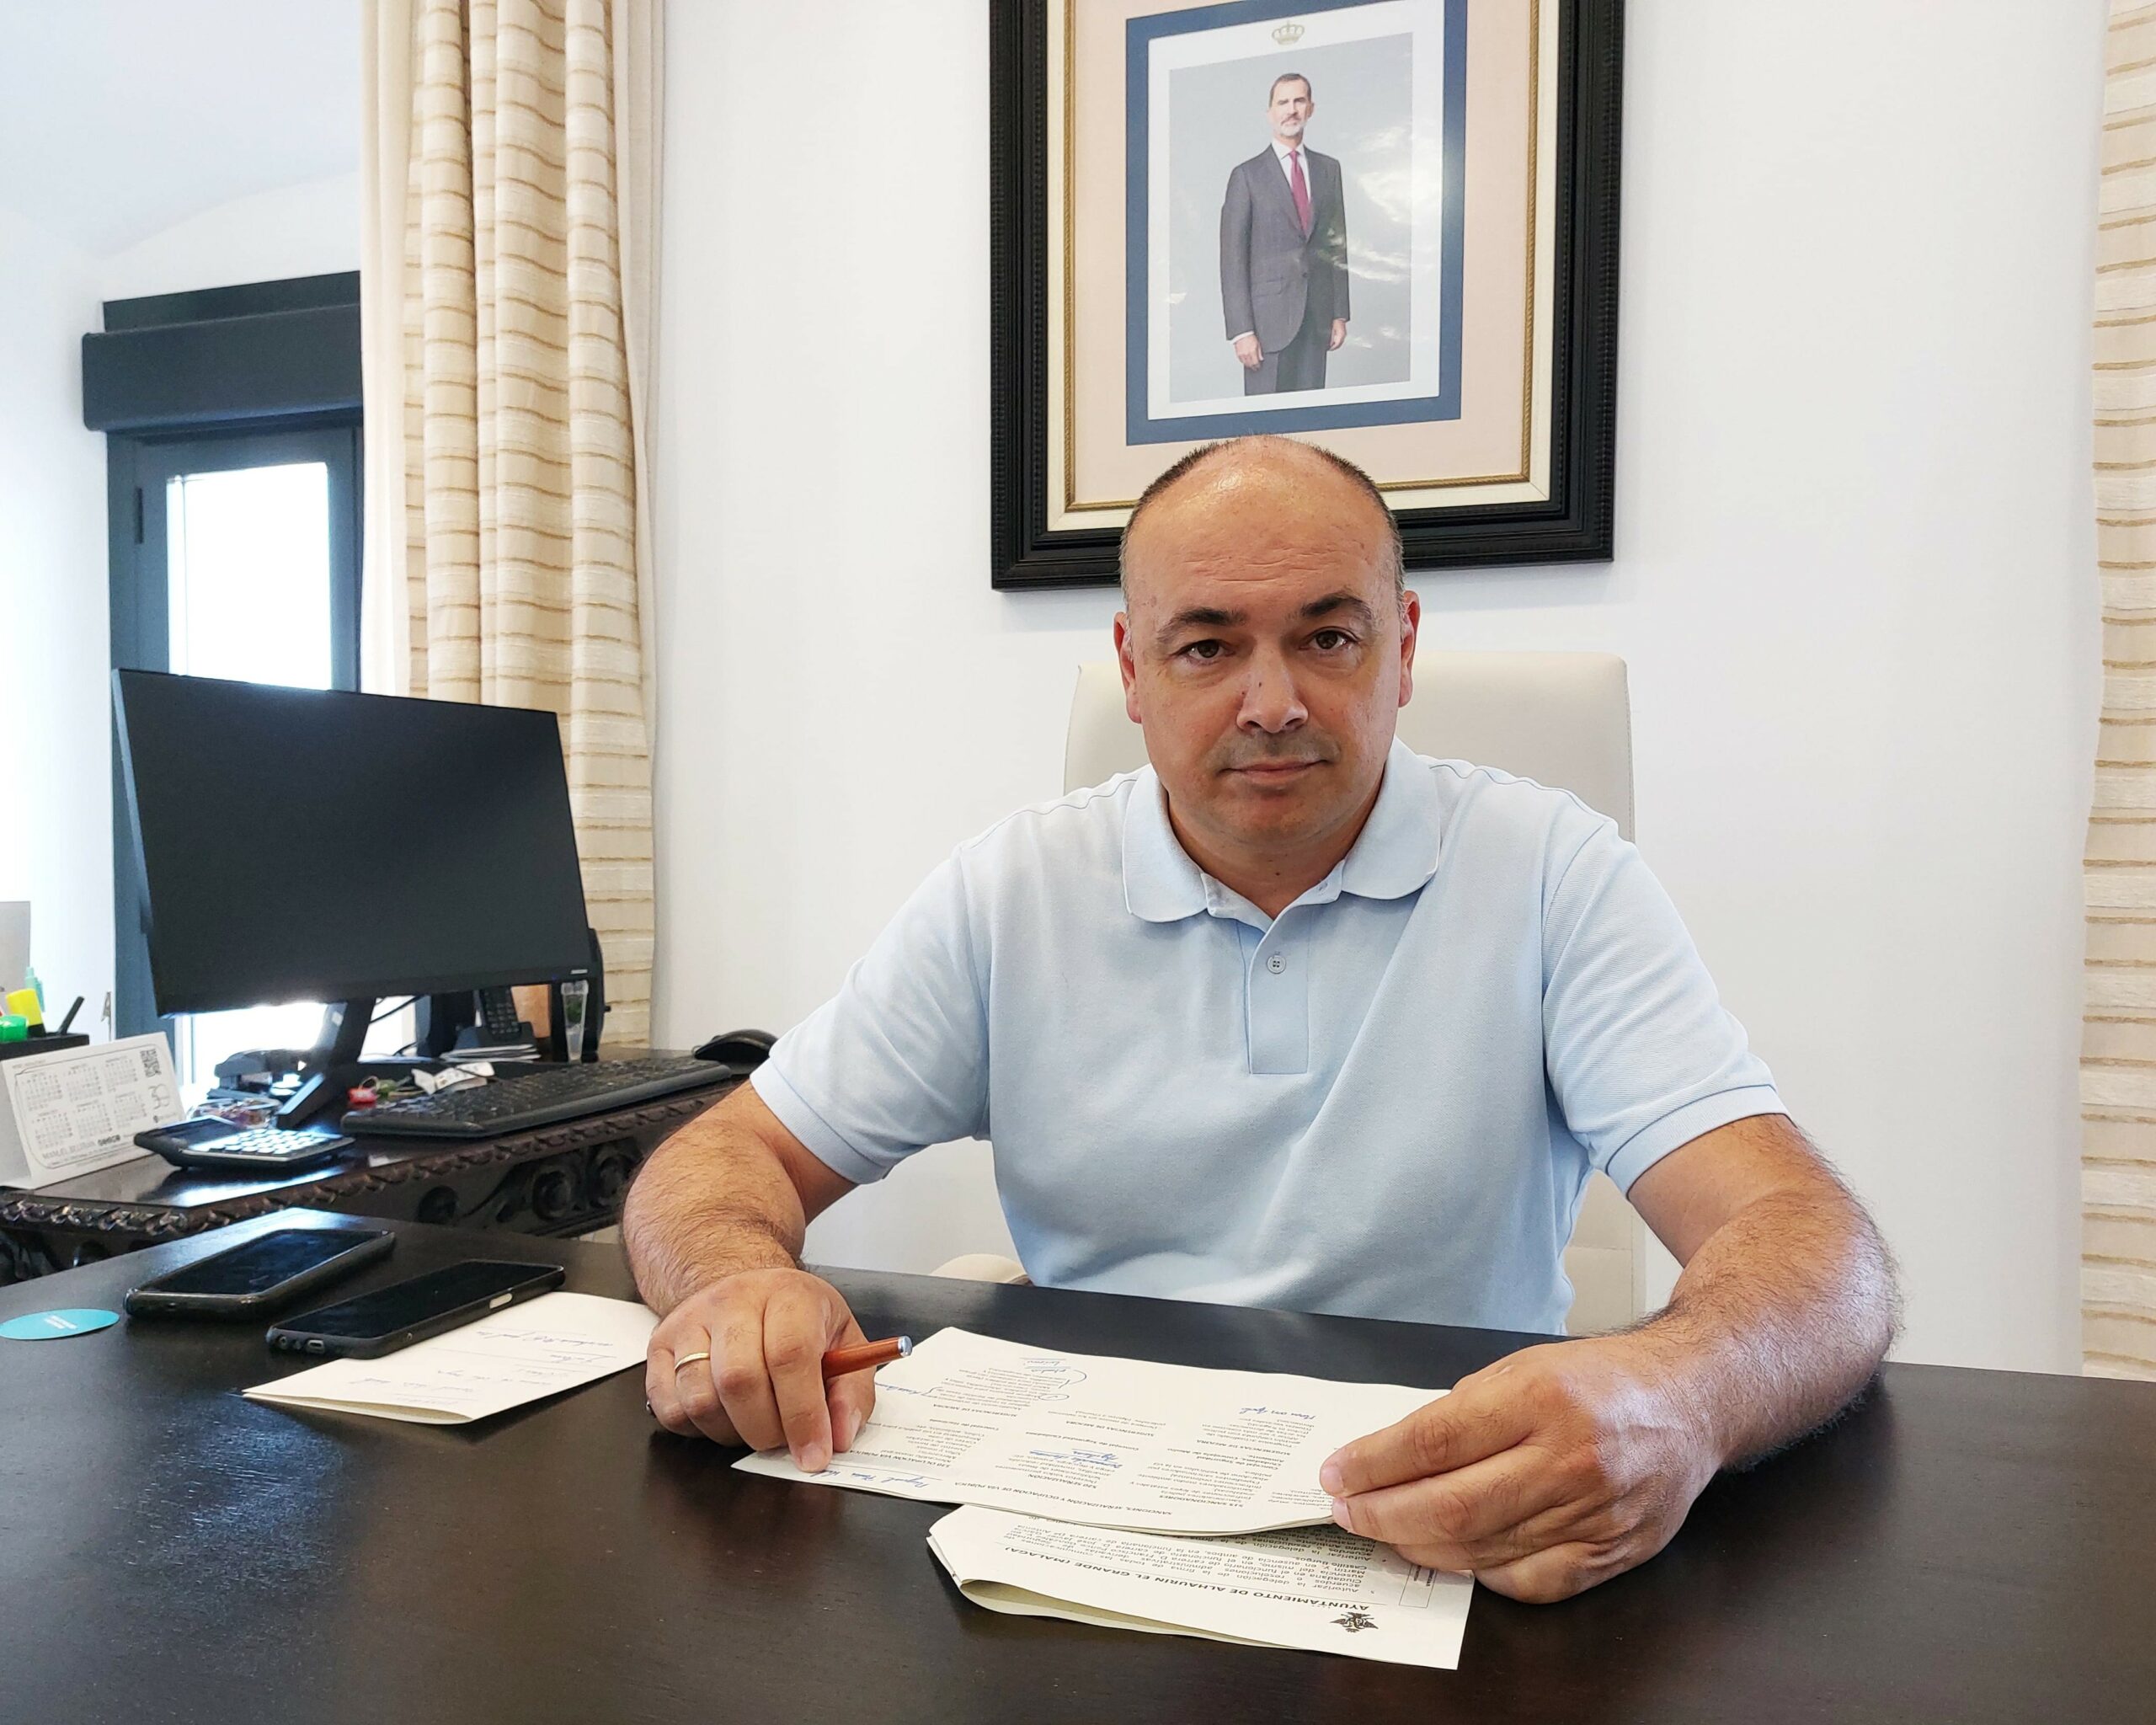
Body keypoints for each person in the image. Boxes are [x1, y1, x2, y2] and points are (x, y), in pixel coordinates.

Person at [625, 435, 1898, 1604]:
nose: (1272, 702)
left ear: (1403, 647)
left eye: (1328, 638)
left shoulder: (1554, 873)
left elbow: (1812, 1248)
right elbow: (727, 1156)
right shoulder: (1012, 890)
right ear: (1134, 669)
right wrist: (736, 1284)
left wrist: (1683, 1393)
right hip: (1081, 1512)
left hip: (1453, 1517)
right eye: (1207, 647)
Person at [1219, 72, 1349, 394]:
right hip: (1266, 328)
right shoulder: (1246, 176)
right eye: (1283, 102)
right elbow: (1232, 259)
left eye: (1299, 101)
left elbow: (1336, 245)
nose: (1291, 110)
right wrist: (1242, 331)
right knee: (1267, 423)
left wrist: (1339, 314)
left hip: (1317, 320)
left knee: (1310, 421)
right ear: (1270, 113)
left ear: (1311, 108)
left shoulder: (1329, 170)